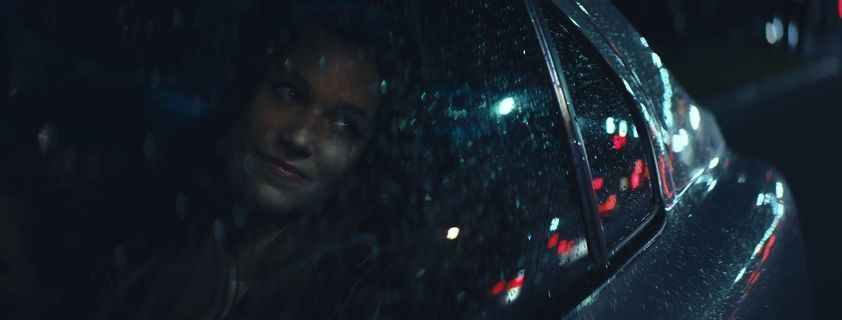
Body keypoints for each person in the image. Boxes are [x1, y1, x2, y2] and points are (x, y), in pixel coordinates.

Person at [93, 2, 415, 319]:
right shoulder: (131, 229)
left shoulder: (358, 296)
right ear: (245, 93)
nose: (301, 136)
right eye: (288, 94)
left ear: (364, 156)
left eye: (345, 126)